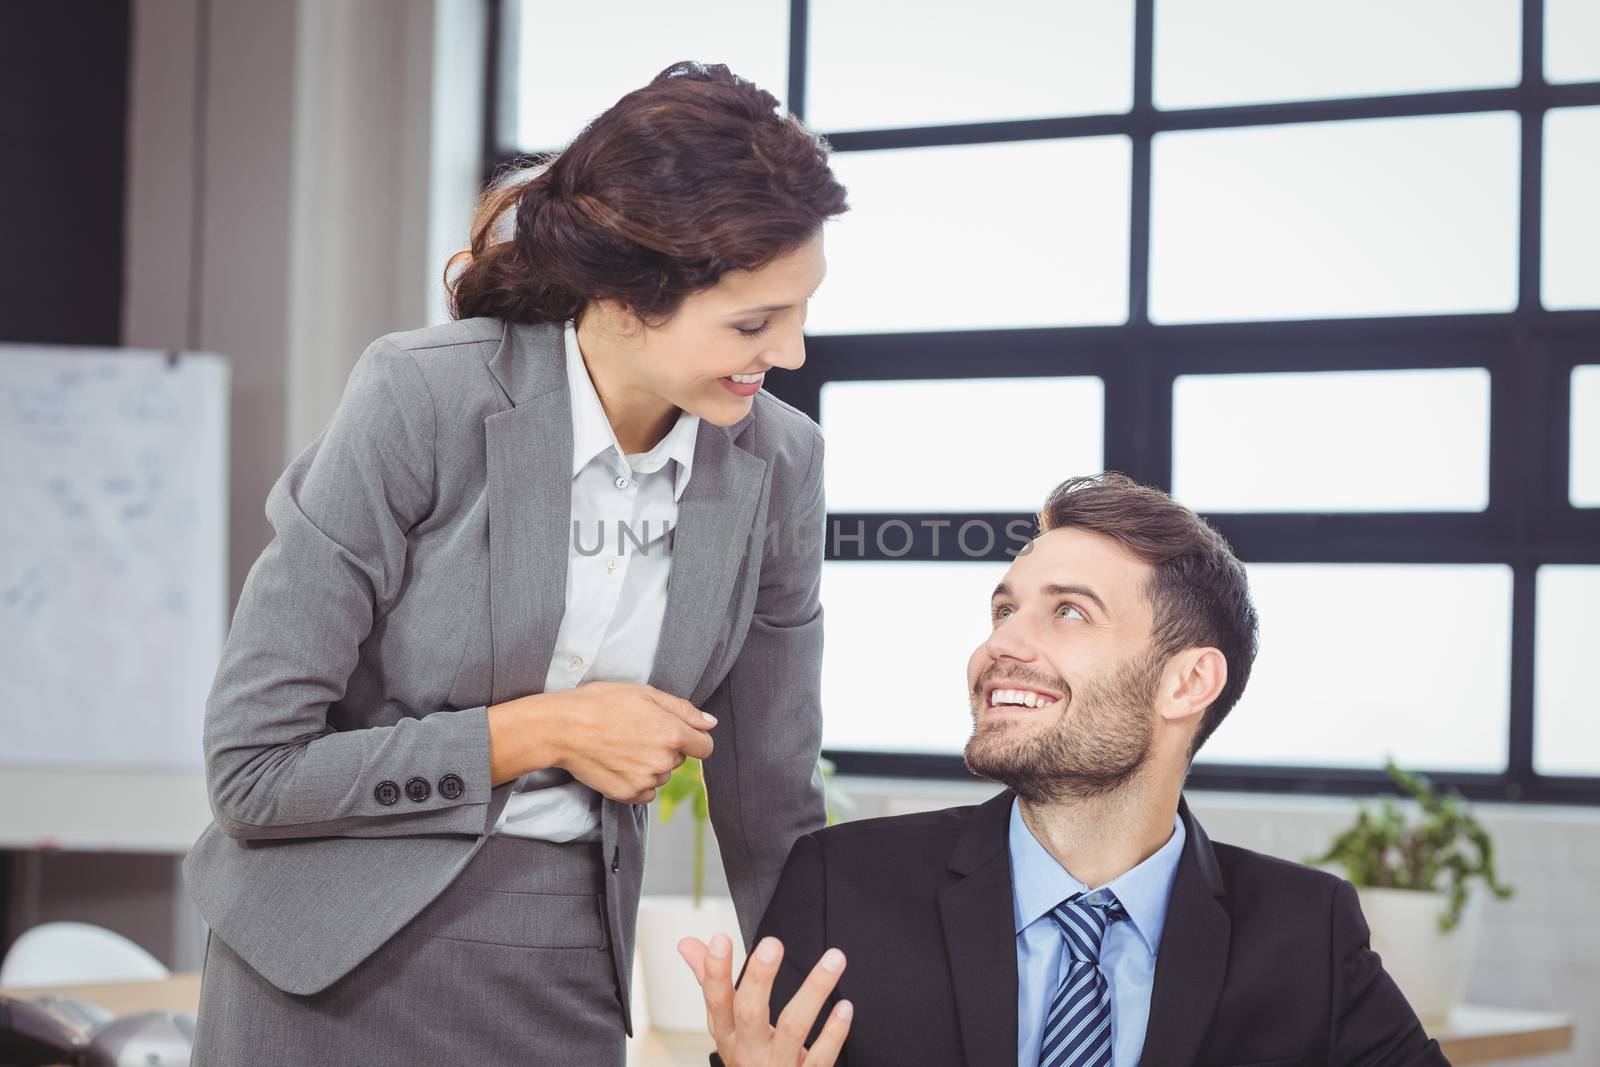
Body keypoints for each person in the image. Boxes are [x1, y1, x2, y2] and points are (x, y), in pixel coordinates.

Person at [181, 60, 847, 1066]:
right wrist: (539, 730)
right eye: (753, 322)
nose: (791, 353)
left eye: (801, 309)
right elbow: (254, 770)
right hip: (320, 962)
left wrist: (826, 1013)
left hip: (558, 958)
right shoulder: (423, 399)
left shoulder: (777, 464)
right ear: (626, 296)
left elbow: (771, 801)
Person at [680, 472, 1450, 1067]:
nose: (1002, 645)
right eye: (1003, 610)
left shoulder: (1304, 931)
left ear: (1188, 682)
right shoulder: (841, 888)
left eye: (1069, 611)